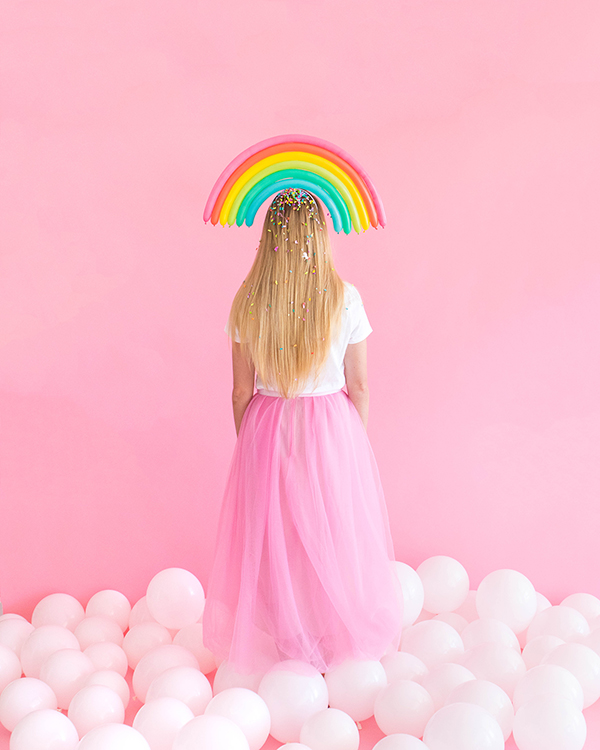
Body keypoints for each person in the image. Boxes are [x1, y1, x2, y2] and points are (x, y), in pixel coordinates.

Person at [203, 188, 402, 675]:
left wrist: (250, 442)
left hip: (268, 425)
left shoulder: (249, 300)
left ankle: (288, 638)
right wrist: (353, 444)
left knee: (279, 534)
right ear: (320, 235)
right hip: (330, 424)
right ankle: (331, 637)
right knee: (333, 529)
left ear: (268, 236)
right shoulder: (344, 297)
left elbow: (239, 392)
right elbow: (360, 386)